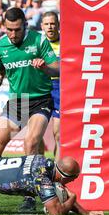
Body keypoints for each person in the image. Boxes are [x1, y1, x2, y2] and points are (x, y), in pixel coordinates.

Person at [0, 7, 59, 213]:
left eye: (17, 30)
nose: (13, 34)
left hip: (41, 100)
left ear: (25, 26)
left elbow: (58, 67)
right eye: (9, 30)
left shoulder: (39, 41)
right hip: (17, 101)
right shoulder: (1, 47)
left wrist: (45, 68)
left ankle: (29, 197)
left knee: (30, 142)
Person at [41, 11, 60, 160]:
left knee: (58, 133)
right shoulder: (37, 43)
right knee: (35, 134)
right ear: (42, 26)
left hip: (60, 88)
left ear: (58, 25)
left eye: (52, 23)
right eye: (47, 24)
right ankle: (37, 170)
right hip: (40, 89)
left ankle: (57, 175)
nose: (50, 27)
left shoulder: (67, 43)